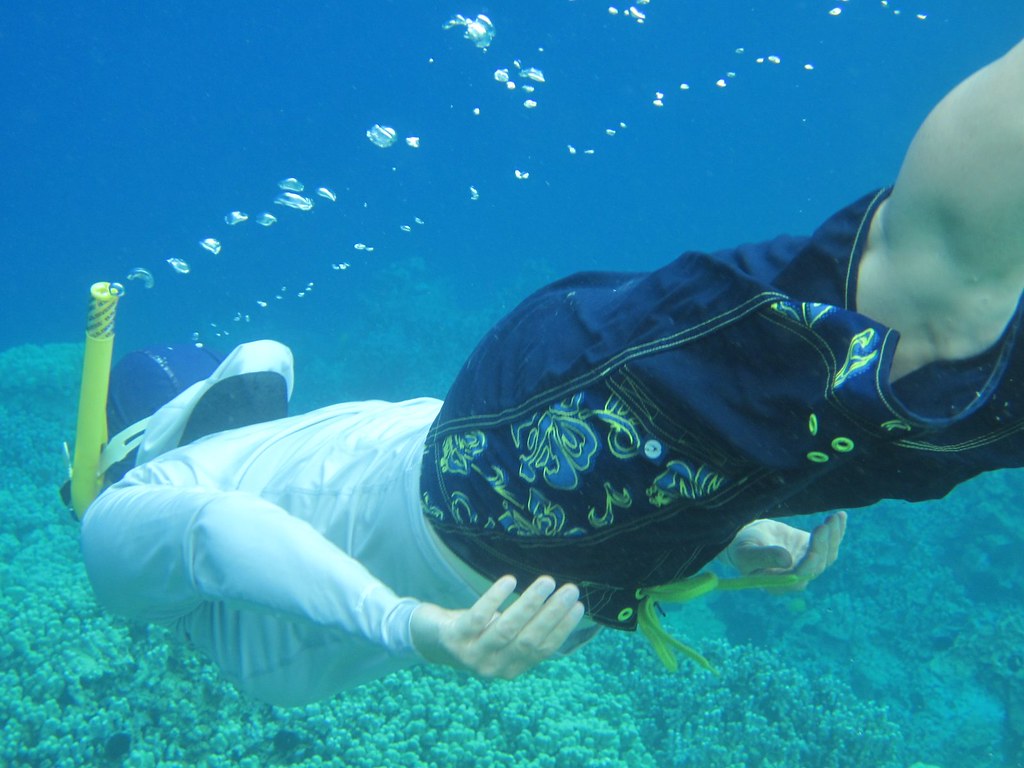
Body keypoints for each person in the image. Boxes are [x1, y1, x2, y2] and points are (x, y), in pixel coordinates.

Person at [81, 36, 1023, 706]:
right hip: (566, 520)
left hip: (489, 484)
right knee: (966, 411)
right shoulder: (266, 463)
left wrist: (412, 627)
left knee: (926, 304)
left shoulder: (127, 512)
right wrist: (734, 531)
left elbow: (211, 532)